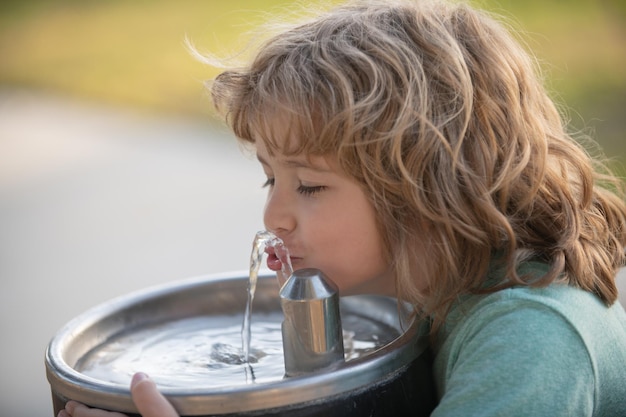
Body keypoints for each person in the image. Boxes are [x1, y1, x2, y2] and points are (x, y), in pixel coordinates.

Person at [59, 0, 626, 416]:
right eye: (269, 181)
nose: (273, 218)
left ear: (429, 190)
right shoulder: (435, 291)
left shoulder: (530, 338)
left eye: (308, 186)